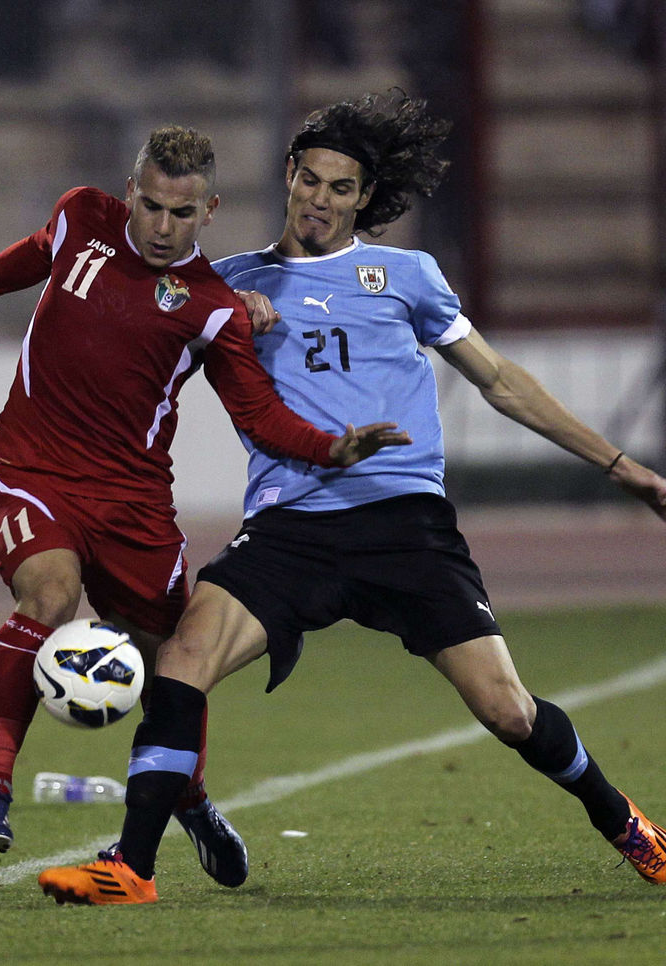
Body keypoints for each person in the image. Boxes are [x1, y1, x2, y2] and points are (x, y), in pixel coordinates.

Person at [38, 91, 666, 905]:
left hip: (404, 525)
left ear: (365, 197)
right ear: (289, 178)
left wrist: (622, 466)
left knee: (508, 711)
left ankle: (624, 822)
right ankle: (131, 867)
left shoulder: (407, 276)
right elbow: (132, 378)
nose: (321, 200)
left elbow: (502, 382)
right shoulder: (228, 287)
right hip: (289, 529)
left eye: (341, 187)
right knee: (182, 663)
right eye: (310, 181)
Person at [0, 124, 407, 887]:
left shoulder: (211, 308)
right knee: (49, 595)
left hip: (134, 504)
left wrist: (328, 447)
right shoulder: (83, 217)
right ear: (129, 194)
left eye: (183, 214)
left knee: (174, 661)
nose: (164, 227)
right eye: (151, 207)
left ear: (208, 212)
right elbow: (33, 254)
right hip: (31, 471)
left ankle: (191, 798)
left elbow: (261, 416)